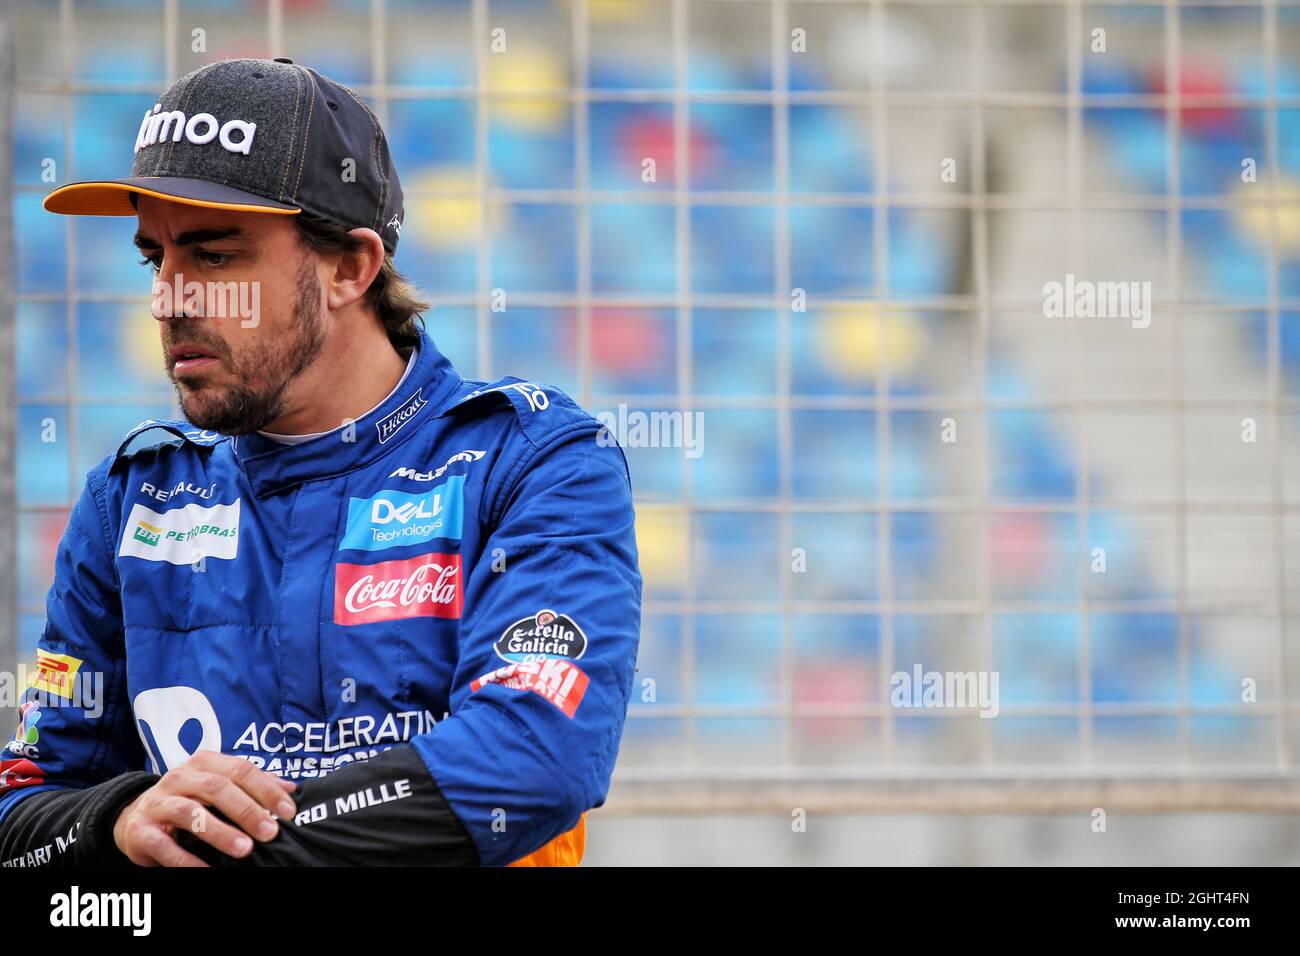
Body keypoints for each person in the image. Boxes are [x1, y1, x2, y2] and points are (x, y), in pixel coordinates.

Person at [0, 57, 641, 867]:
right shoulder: (132, 499)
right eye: (152, 259)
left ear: (351, 267)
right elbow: (24, 810)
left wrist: (211, 844)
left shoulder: (532, 462)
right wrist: (123, 820)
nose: (170, 297)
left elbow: (533, 762)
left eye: (215, 256)